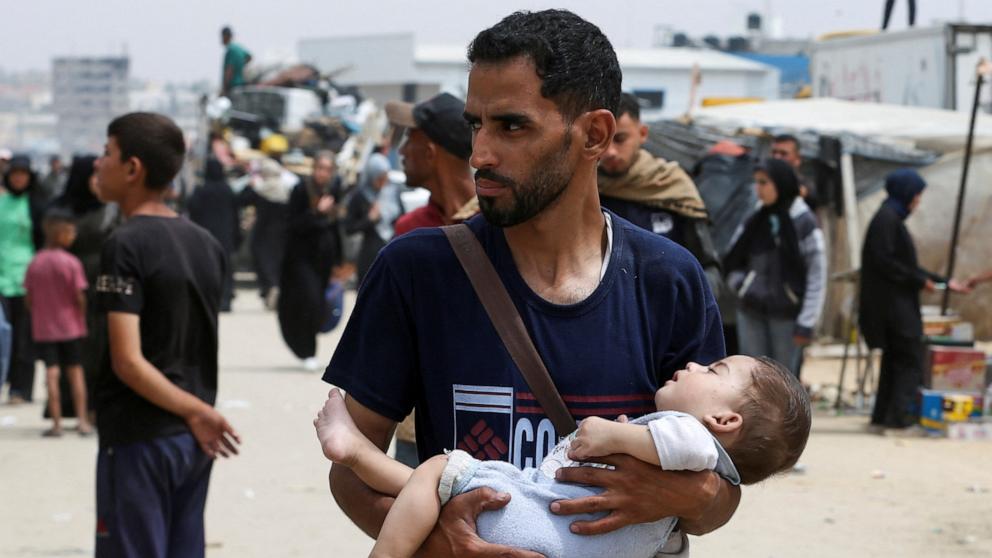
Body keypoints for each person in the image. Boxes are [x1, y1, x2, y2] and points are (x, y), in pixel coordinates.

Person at [323, 10, 735, 558]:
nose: (480, 155)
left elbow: (723, 491)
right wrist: (440, 545)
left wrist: (686, 491)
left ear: (594, 134)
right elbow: (351, 467)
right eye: (476, 124)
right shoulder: (417, 271)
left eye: (512, 126)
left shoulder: (668, 279)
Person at [317, 355, 809, 558]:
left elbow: (688, 452)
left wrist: (613, 438)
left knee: (440, 471)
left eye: (715, 369)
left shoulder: (688, 437)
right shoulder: (672, 508)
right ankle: (356, 452)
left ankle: (355, 454)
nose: (696, 363)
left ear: (724, 424)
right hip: (554, 540)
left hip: (526, 516)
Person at [92, 112, 240, 557]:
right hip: (192, 442)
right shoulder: (205, 243)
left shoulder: (125, 244)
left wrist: (195, 412)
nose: (98, 164)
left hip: (142, 435)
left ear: (133, 169)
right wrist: (197, 414)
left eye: (106, 153)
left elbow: (128, 361)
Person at [859, 169, 966, 430]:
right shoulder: (887, 220)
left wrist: (942, 281)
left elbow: (906, 265)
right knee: (908, 359)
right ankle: (899, 418)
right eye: (917, 195)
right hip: (894, 308)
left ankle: (883, 416)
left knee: (896, 360)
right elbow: (887, 263)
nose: (918, 201)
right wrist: (920, 281)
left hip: (895, 306)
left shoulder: (890, 218)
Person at [724, 158, 826, 377]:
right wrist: (742, 286)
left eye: (764, 183)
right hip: (751, 310)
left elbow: (817, 274)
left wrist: (806, 321)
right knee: (753, 379)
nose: (758, 189)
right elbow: (733, 257)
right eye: (757, 183)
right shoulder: (757, 217)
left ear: (781, 183)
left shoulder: (803, 221)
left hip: (787, 317)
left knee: (784, 381)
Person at [598, 93, 721, 274]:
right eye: (603, 140)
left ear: (642, 134)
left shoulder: (671, 184)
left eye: (620, 139)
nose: (610, 152)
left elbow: (708, 266)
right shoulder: (582, 189)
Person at [24, 209, 92, 437]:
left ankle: (56, 424)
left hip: (44, 328)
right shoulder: (71, 263)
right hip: (71, 326)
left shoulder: (35, 262)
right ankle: (82, 420)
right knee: (75, 372)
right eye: (70, 232)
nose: (73, 236)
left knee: (51, 375)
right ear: (59, 233)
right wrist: (82, 317)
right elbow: (80, 295)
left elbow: (29, 298)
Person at [277, 151, 343, 370]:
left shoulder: (333, 191)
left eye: (327, 169)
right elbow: (293, 225)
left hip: (323, 260)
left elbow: (335, 227)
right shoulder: (301, 190)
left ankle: (307, 346)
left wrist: (340, 260)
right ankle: (308, 351)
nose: (322, 173)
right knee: (310, 301)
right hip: (301, 259)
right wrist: (316, 212)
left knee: (318, 305)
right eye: (319, 168)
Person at [386, 93, 478, 236]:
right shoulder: (408, 229)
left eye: (409, 138)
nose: (401, 151)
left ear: (430, 153)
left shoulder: (501, 224)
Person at [1, 155, 44, 403]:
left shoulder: (36, 206)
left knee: (23, 337)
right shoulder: (1, 202)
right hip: (1, 277)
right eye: (14, 173)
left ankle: (20, 388)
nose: (18, 178)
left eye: (23, 174)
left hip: (26, 279)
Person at [187, 158, 241, 311]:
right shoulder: (227, 190)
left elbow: (192, 209)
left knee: (207, 268)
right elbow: (235, 214)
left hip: (205, 236)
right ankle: (225, 299)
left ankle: (209, 299)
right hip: (225, 235)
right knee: (226, 268)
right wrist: (236, 235)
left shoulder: (201, 190)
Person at [345, 153, 402, 283]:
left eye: (385, 178)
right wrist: (369, 220)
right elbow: (349, 228)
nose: (382, 183)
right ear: (371, 176)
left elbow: (402, 219)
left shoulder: (392, 192)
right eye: (379, 179)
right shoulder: (360, 195)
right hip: (370, 258)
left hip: (393, 252)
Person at [770, 134, 818, 212]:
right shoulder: (762, 182)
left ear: (797, 159)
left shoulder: (805, 189)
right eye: (774, 152)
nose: (777, 157)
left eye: (783, 154)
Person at [220, 26, 252, 95]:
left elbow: (230, 69)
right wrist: (240, 64)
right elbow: (249, 57)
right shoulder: (238, 48)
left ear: (225, 36)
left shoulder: (230, 50)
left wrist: (224, 88)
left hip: (233, 85)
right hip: (241, 83)